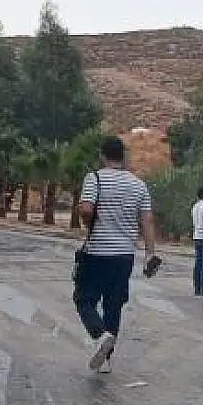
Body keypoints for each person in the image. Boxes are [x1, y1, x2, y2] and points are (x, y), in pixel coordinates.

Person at [75, 136, 161, 373]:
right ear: (122, 156)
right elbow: (147, 220)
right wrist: (150, 253)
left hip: (98, 252)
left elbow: (85, 209)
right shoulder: (138, 184)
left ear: (102, 156)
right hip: (124, 255)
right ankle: (106, 360)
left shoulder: (94, 179)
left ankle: (99, 335)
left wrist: (87, 221)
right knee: (114, 304)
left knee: (84, 299)